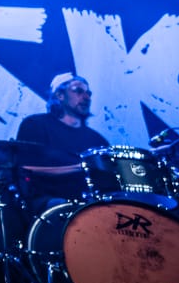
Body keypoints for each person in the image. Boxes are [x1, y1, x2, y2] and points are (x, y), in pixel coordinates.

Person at [15, 72, 110, 213]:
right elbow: (24, 169)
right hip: (49, 204)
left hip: (91, 205)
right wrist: (80, 167)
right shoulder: (36, 124)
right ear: (60, 95)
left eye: (88, 93)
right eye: (78, 91)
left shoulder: (97, 140)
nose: (86, 97)